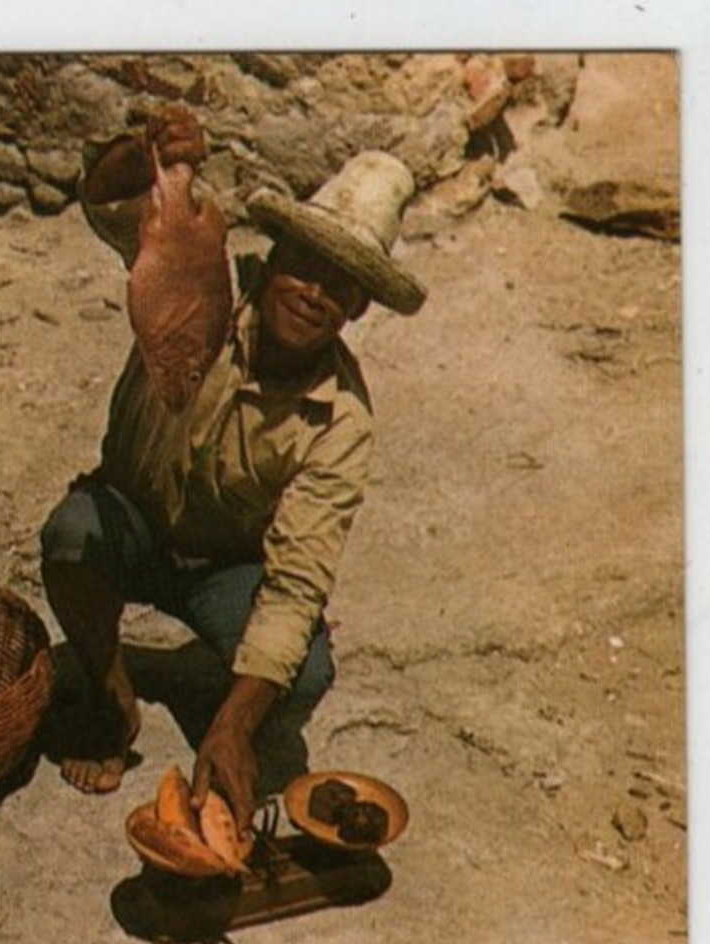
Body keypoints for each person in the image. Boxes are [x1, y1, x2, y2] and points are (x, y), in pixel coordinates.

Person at [39, 104, 427, 834]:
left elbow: (296, 583)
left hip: (225, 568)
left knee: (304, 669)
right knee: (71, 533)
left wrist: (231, 732)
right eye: (303, 267)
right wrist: (146, 154)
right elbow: (112, 208)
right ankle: (111, 694)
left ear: (356, 308)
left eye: (337, 285)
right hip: (131, 519)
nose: (312, 292)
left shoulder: (340, 422)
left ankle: (219, 708)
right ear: (272, 257)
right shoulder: (201, 281)